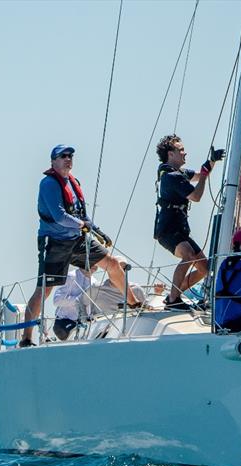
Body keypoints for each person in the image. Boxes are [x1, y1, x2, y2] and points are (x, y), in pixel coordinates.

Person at [19, 144, 141, 347]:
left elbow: (82, 215)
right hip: (55, 242)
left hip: (77, 239)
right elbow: (59, 216)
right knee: (44, 290)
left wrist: (98, 232)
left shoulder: (74, 183)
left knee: (111, 263)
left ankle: (134, 303)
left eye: (70, 156)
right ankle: (26, 337)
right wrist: (82, 225)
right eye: (63, 156)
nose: (68, 158)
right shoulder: (48, 184)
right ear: (53, 161)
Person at [154, 135, 225, 310]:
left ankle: (174, 293)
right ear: (171, 154)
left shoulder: (179, 173)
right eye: (181, 150)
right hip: (168, 230)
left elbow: (201, 174)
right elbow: (196, 196)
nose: (185, 153)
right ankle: (173, 300)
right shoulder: (171, 176)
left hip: (180, 230)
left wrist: (212, 161)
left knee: (206, 269)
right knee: (188, 256)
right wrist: (203, 177)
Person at [52, 266, 94, 340]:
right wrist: (79, 300)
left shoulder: (94, 281)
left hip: (85, 322)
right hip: (64, 322)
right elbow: (57, 300)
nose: (95, 265)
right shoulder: (70, 276)